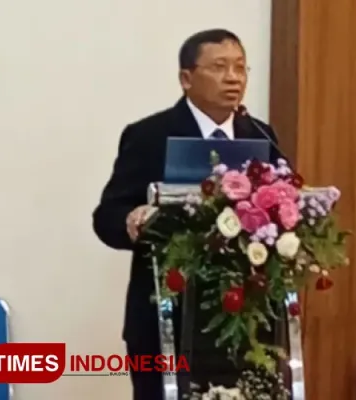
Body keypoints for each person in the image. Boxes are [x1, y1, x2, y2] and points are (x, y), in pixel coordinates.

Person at [92, 29, 283, 400]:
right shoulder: (150, 135)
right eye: (220, 67)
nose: (233, 78)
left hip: (245, 320)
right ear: (186, 78)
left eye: (240, 68)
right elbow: (107, 216)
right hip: (165, 318)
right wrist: (132, 219)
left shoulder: (260, 135)